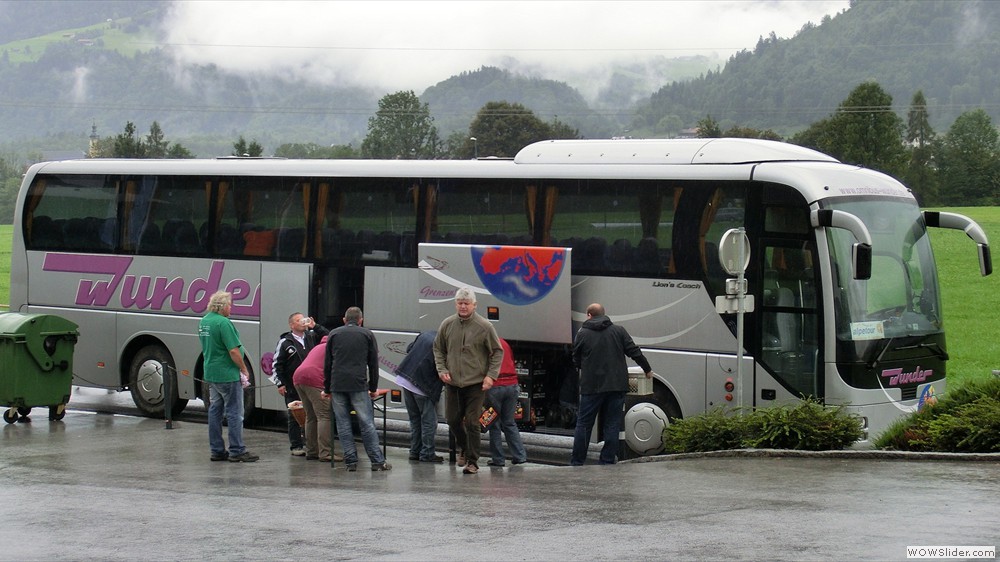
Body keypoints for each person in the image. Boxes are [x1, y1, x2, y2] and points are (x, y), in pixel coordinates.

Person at [570, 303, 654, 466]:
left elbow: (576, 358)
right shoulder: (618, 331)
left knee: (584, 424)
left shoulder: (583, 333)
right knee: (612, 423)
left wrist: (584, 367)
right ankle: (607, 460)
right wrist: (647, 369)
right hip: (616, 385)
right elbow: (634, 351)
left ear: (589, 315)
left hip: (591, 386)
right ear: (604, 314)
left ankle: (577, 461)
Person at [433, 287, 503, 475]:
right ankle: (464, 447)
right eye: (460, 303)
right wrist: (442, 369)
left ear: (474, 305)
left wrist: (491, 376)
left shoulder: (485, 326)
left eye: (466, 303)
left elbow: (497, 351)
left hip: (476, 384)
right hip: (453, 383)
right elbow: (438, 349)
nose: (463, 306)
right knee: (453, 420)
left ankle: (472, 461)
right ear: (455, 304)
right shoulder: (447, 324)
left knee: (473, 422)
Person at [322, 307, 391, 472]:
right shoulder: (367, 334)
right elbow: (373, 364)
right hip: (358, 385)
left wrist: (327, 387)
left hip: (337, 385)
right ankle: (377, 461)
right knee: (366, 423)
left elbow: (328, 364)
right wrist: (373, 387)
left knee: (343, 424)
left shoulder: (334, 334)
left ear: (344, 320)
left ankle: (351, 462)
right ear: (361, 320)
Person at [198, 290, 259, 463]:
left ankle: (217, 450)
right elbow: (233, 350)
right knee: (234, 412)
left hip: (210, 372)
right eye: (229, 305)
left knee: (215, 410)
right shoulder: (223, 323)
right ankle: (237, 450)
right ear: (222, 306)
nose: (231, 308)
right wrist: (244, 368)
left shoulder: (204, 321)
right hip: (227, 373)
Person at [272, 312, 328, 456]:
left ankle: (311, 444)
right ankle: (296, 445)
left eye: (304, 319)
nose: (303, 322)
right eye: (299, 320)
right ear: (292, 325)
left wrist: (314, 326)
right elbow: (277, 364)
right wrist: (280, 384)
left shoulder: (311, 336)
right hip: (292, 385)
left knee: (311, 414)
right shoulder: (285, 342)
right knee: (294, 415)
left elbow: (328, 337)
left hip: (310, 382)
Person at [393, 330, 443, 463]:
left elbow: (410, 348)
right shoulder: (444, 343)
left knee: (415, 419)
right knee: (429, 421)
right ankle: (427, 453)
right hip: (422, 385)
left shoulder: (426, 334)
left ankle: (415, 451)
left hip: (405, 378)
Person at [293, 336, 337, 462]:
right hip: (314, 379)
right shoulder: (332, 349)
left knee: (310, 416)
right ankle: (326, 453)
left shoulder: (318, 347)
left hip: (298, 377)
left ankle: (312, 451)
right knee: (324, 416)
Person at [486, 337, 528, 467]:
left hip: (495, 386)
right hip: (512, 385)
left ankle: (498, 459)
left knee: (494, 424)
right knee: (509, 422)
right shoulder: (503, 342)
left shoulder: (483, 344)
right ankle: (519, 456)